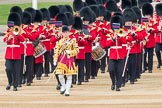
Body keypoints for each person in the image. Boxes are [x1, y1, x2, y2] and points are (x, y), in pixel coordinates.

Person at [53, 25, 79, 96]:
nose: (65, 34)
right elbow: (56, 52)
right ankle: (63, 86)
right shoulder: (59, 42)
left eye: (67, 32)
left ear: (69, 33)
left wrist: (70, 52)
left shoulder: (73, 41)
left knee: (69, 77)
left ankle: (67, 90)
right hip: (61, 60)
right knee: (60, 76)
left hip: (69, 60)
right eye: (64, 32)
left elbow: (77, 50)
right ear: (62, 33)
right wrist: (55, 60)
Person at [4, 12, 24, 91]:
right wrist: (8, 38)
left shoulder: (19, 31)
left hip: (16, 54)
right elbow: (4, 39)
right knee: (8, 69)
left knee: (16, 70)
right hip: (9, 54)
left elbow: (22, 39)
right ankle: (10, 82)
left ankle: (15, 85)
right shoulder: (7, 32)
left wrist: (17, 34)